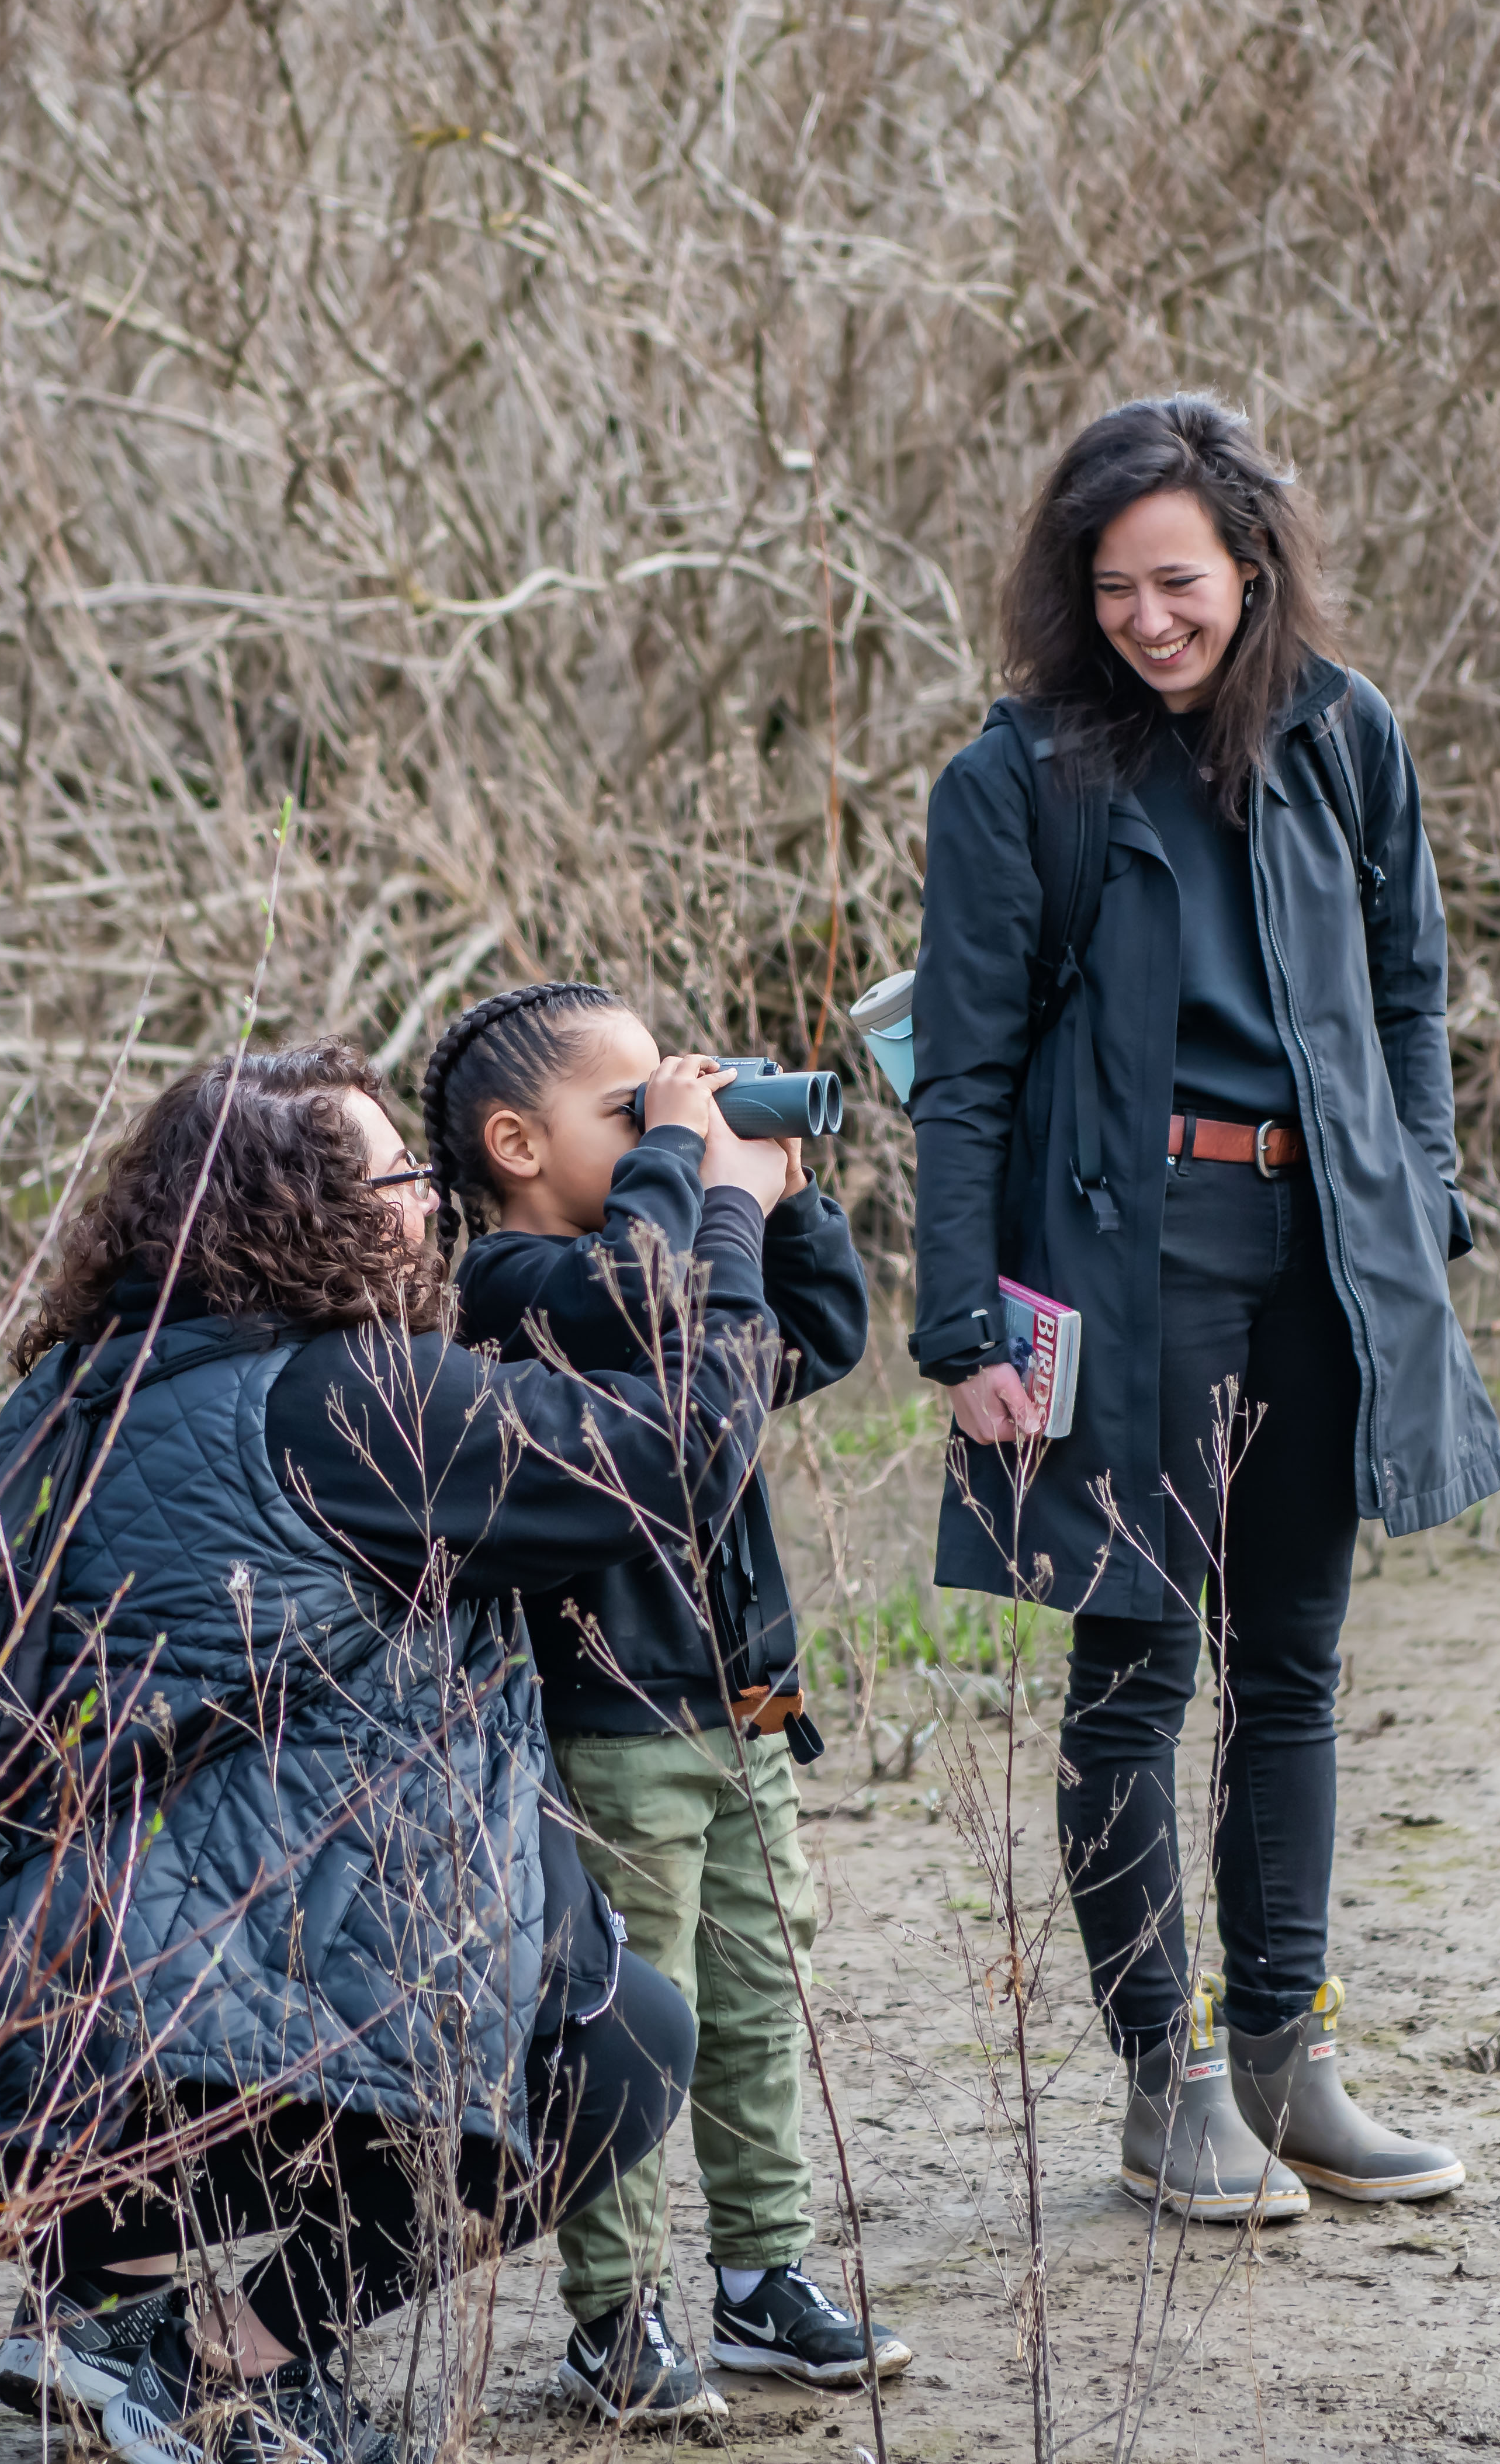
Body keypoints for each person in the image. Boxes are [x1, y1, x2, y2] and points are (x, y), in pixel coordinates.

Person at [0, 1041, 790, 2464]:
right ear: (304, 1213)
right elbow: (680, 1459)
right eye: (396, 1180)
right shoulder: (347, 1401)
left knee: (239, 1896)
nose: (430, 1207)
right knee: (619, 2044)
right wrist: (722, 1200)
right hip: (157, 2060)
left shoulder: (81, 1391)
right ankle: (224, 2364)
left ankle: (101, 2315)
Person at [907, 395, 1500, 2223]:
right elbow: (963, 1075)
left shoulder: (1344, 735)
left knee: (1294, 1670)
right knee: (1134, 1670)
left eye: (1179, 581)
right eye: (1111, 589)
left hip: (1323, 1244)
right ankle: (1161, 2082)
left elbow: (1408, 996)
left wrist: (1421, 1190)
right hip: (1124, 1259)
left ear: (1252, 565)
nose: (1150, 620)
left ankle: (1284, 2058)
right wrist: (957, 1332)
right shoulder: (1015, 779)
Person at [422, 983, 913, 2425]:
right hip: (614, 1718)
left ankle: (763, 2276)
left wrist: (787, 1204)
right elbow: (634, 1292)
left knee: (764, 2004)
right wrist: (703, 1183)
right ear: (517, 1143)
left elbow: (808, 1337)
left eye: (674, 1104)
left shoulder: (683, 1255)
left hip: (744, 1706)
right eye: (634, 1112)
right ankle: (613, 2313)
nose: (673, 1131)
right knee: (649, 2015)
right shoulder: (508, 1286)